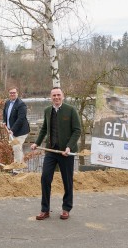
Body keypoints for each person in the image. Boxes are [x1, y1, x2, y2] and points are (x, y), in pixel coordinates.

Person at [30, 87, 81, 220]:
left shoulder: (70, 110)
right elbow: (44, 129)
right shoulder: (48, 110)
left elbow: (77, 131)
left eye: (58, 95)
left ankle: (66, 208)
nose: (56, 97)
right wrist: (37, 143)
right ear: (50, 97)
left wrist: (69, 147)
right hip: (51, 151)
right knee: (45, 178)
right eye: (54, 95)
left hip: (66, 152)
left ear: (63, 96)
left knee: (67, 181)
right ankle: (45, 209)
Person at [2, 87, 30, 167]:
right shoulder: (7, 102)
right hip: (11, 131)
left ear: (17, 93)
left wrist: (13, 129)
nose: (12, 94)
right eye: (11, 93)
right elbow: (5, 113)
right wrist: (4, 122)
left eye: (14, 92)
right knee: (16, 148)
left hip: (21, 132)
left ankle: (17, 169)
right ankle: (22, 164)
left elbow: (21, 119)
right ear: (9, 94)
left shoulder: (21, 104)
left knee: (16, 148)